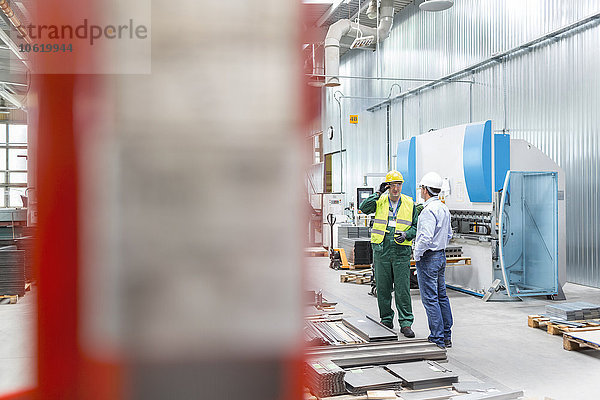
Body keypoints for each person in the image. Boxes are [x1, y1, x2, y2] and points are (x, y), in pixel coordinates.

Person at [359, 170, 420, 338]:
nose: (396, 189)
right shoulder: (380, 201)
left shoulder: (409, 203)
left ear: (402, 185)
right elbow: (363, 208)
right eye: (392, 185)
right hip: (382, 249)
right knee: (383, 288)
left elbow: (416, 226)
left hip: (401, 250)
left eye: (398, 185)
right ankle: (386, 319)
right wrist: (378, 193)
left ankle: (406, 323)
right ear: (387, 186)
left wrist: (407, 234)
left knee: (402, 289)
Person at [413, 172, 453, 349]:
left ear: (425, 190)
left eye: (421, 188)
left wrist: (417, 254)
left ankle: (436, 338)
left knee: (430, 298)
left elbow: (425, 237)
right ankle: (446, 336)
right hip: (441, 255)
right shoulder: (443, 208)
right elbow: (450, 234)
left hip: (429, 257)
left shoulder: (428, 211)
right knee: (441, 296)